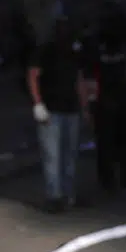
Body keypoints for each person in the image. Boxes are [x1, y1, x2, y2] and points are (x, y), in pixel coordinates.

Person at [28, 15, 91, 212]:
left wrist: (84, 107)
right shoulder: (46, 50)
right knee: (53, 156)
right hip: (52, 110)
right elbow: (33, 75)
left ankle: (68, 194)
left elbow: (79, 80)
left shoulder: (73, 52)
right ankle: (55, 196)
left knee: (69, 154)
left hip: (70, 108)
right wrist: (38, 103)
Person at [88, 10, 126, 193]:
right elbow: (92, 77)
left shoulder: (119, 48)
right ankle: (113, 180)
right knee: (110, 143)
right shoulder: (99, 49)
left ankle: (122, 179)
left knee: (118, 142)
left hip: (116, 100)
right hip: (107, 102)